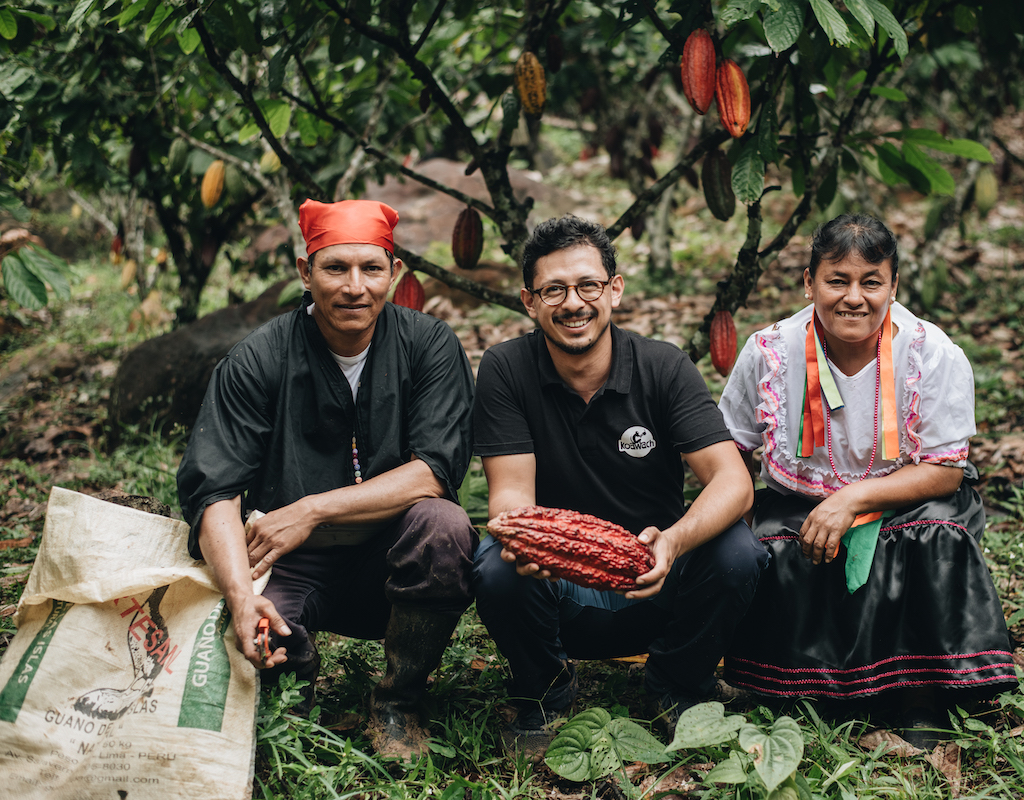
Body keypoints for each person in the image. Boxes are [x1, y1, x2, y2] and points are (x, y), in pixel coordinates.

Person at [176, 198, 477, 760]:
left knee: (445, 528)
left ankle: (399, 702)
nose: (354, 287)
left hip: (388, 561)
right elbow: (214, 490)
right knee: (262, 650)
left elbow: (433, 472)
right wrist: (241, 596)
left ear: (395, 272)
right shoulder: (257, 358)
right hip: (286, 562)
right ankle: (299, 675)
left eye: (371, 268)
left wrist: (312, 508)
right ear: (304, 271)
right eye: (335, 268)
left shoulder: (429, 345)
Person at [472, 216, 767, 758]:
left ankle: (677, 684)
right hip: (557, 590)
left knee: (738, 550)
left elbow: (734, 482)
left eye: (588, 285)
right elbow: (510, 497)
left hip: (655, 580)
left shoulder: (663, 367)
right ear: (528, 301)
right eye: (553, 290)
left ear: (615, 289)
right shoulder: (506, 369)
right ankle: (545, 692)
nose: (573, 303)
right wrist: (528, 542)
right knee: (496, 563)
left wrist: (674, 541)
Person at [717, 213, 1016, 748]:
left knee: (933, 535)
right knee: (762, 548)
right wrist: (737, 527)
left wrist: (852, 500)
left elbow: (945, 472)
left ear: (893, 286)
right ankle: (795, 688)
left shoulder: (932, 352)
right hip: (798, 500)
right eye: (837, 280)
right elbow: (730, 450)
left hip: (908, 497)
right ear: (809, 283)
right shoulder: (769, 351)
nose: (854, 297)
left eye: (871, 282)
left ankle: (920, 695)